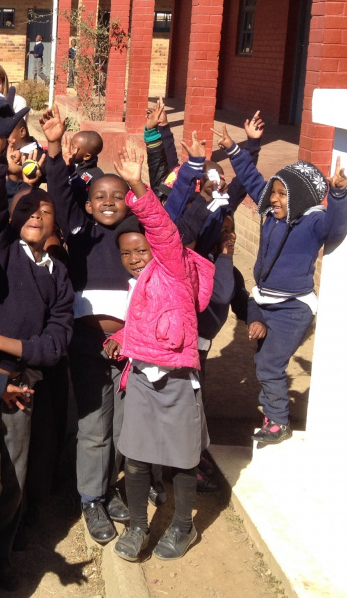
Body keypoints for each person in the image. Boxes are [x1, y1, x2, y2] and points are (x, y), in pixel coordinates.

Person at [0, 93, 73, 592]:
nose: (35, 212)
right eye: (25, 207)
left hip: (23, 386)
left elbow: (55, 344)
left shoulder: (58, 276)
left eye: (45, 210)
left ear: (56, 225)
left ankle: (0, 554)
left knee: (12, 479)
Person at [103, 145, 214, 562]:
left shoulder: (175, 267)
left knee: (184, 460)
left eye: (141, 251)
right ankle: (137, 526)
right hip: (144, 379)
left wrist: (137, 186)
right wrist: (123, 338)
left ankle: (183, 526)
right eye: (127, 254)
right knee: (135, 458)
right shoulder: (146, 281)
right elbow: (153, 316)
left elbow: (164, 233)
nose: (134, 260)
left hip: (179, 380)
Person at [217, 117, 347, 445]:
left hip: (292, 308)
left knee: (268, 363)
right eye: (273, 193)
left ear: (303, 197)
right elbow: (251, 180)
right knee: (265, 361)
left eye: (282, 194)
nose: (274, 199)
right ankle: (272, 414)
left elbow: (337, 227)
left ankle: (278, 421)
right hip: (262, 301)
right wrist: (239, 148)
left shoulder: (313, 222)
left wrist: (338, 194)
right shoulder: (270, 211)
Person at [41, 106, 131, 545]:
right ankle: (91, 497)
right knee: (94, 425)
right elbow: (58, 189)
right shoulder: (78, 228)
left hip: (133, 345)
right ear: (88, 204)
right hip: (88, 343)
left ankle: (110, 486)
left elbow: (173, 225)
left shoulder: (137, 231)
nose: (109, 203)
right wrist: (55, 148)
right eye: (100, 197)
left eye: (118, 196)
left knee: (120, 427)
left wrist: (148, 183)